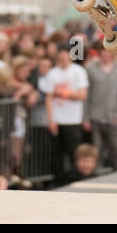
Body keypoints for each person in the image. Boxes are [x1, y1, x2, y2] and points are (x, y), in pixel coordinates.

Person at [39, 46, 88, 181]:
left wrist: (64, 93)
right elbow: (49, 97)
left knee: (74, 153)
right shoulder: (52, 73)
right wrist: (51, 119)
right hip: (57, 119)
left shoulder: (78, 72)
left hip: (73, 119)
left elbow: (82, 94)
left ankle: (77, 179)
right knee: (56, 154)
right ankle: (59, 181)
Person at [84, 48, 117, 172]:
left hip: (112, 114)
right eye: (103, 52)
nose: (106, 55)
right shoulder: (90, 68)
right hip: (95, 114)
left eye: (109, 52)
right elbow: (86, 95)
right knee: (96, 148)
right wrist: (85, 117)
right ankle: (95, 173)